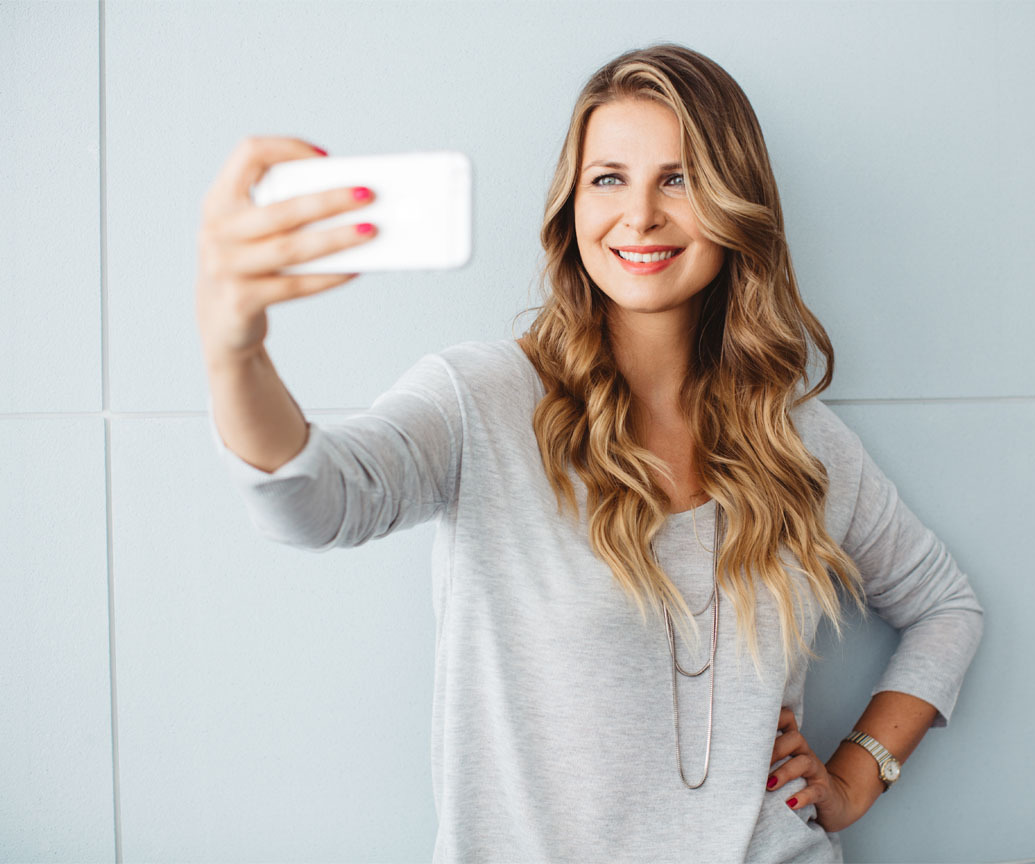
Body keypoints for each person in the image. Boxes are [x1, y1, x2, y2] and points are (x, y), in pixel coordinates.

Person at [196, 43, 983, 863]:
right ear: (572, 204)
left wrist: (859, 776)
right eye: (608, 178)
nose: (639, 216)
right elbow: (309, 502)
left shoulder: (797, 438)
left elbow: (946, 607)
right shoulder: (482, 401)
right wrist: (234, 348)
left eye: (676, 179)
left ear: (733, 200)